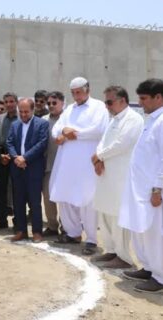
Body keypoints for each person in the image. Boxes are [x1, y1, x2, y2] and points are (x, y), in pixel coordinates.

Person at [50, 77, 109, 255]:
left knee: (87, 199)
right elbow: (56, 129)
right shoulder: (69, 109)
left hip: (86, 162)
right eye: (73, 93)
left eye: (79, 92)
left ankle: (91, 239)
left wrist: (73, 134)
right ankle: (73, 233)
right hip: (67, 162)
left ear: (87, 90)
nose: (76, 96)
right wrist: (62, 132)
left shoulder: (99, 107)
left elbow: (99, 129)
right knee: (66, 198)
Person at [91, 86, 143, 269]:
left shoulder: (133, 119)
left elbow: (122, 144)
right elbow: (102, 143)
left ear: (122, 100)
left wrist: (100, 156)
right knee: (104, 214)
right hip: (105, 175)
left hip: (121, 177)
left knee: (117, 216)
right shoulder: (113, 120)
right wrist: (98, 158)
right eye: (105, 102)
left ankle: (123, 257)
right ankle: (111, 250)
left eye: (109, 102)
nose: (107, 106)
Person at [119, 79, 163, 293]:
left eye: (144, 98)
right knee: (143, 230)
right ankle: (149, 267)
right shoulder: (151, 119)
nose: (140, 102)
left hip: (154, 191)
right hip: (141, 188)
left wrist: (158, 188)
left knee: (155, 233)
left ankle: (160, 277)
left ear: (159, 97)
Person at [7, 98, 49, 242]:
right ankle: (21, 231)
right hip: (17, 169)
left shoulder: (42, 124)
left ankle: (37, 231)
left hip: (33, 168)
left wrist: (25, 158)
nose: (23, 114)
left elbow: (42, 143)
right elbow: (10, 142)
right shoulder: (14, 125)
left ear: (33, 110)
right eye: (21, 111)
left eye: (26, 112)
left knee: (34, 202)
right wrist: (16, 158)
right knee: (18, 201)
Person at [42, 91, 65, 236]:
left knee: (65, 199)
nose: (51, 106)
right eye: (48, 103)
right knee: (48, 197)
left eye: (54, 103)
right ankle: (52, 226)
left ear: (62, 102)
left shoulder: (68, 118)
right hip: (47, 165)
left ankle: (67, 227)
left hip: (65, 167)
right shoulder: (43, 120)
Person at [0, 92, 18, 229]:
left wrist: (14, 156)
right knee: (1, 190)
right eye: (6, 102)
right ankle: (2, 220)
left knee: (17, 190)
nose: (9, 104)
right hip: (2, 157)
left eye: (11, 101)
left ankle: (18, 220)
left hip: (17, 157)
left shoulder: (22, 117)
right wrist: (0, 156)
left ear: (16, 102)